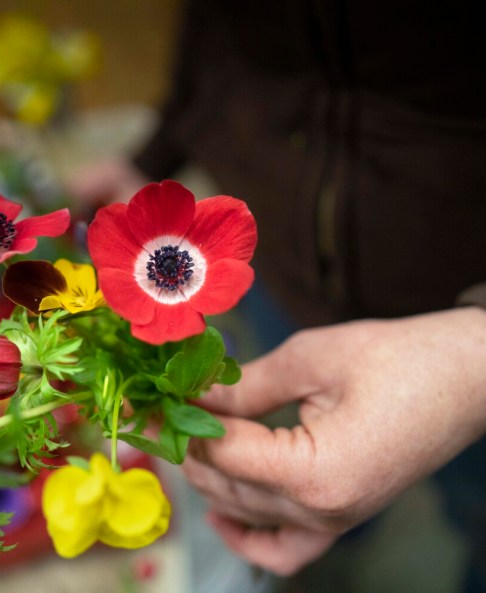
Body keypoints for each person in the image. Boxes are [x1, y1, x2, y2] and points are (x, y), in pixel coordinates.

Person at [69, 0, 486, 590]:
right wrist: (154, 155)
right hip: (280, 271)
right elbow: (213, 32)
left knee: (477, 500)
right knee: (311, 439)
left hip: (458, 293)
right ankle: (346, 540)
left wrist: (476, 348)